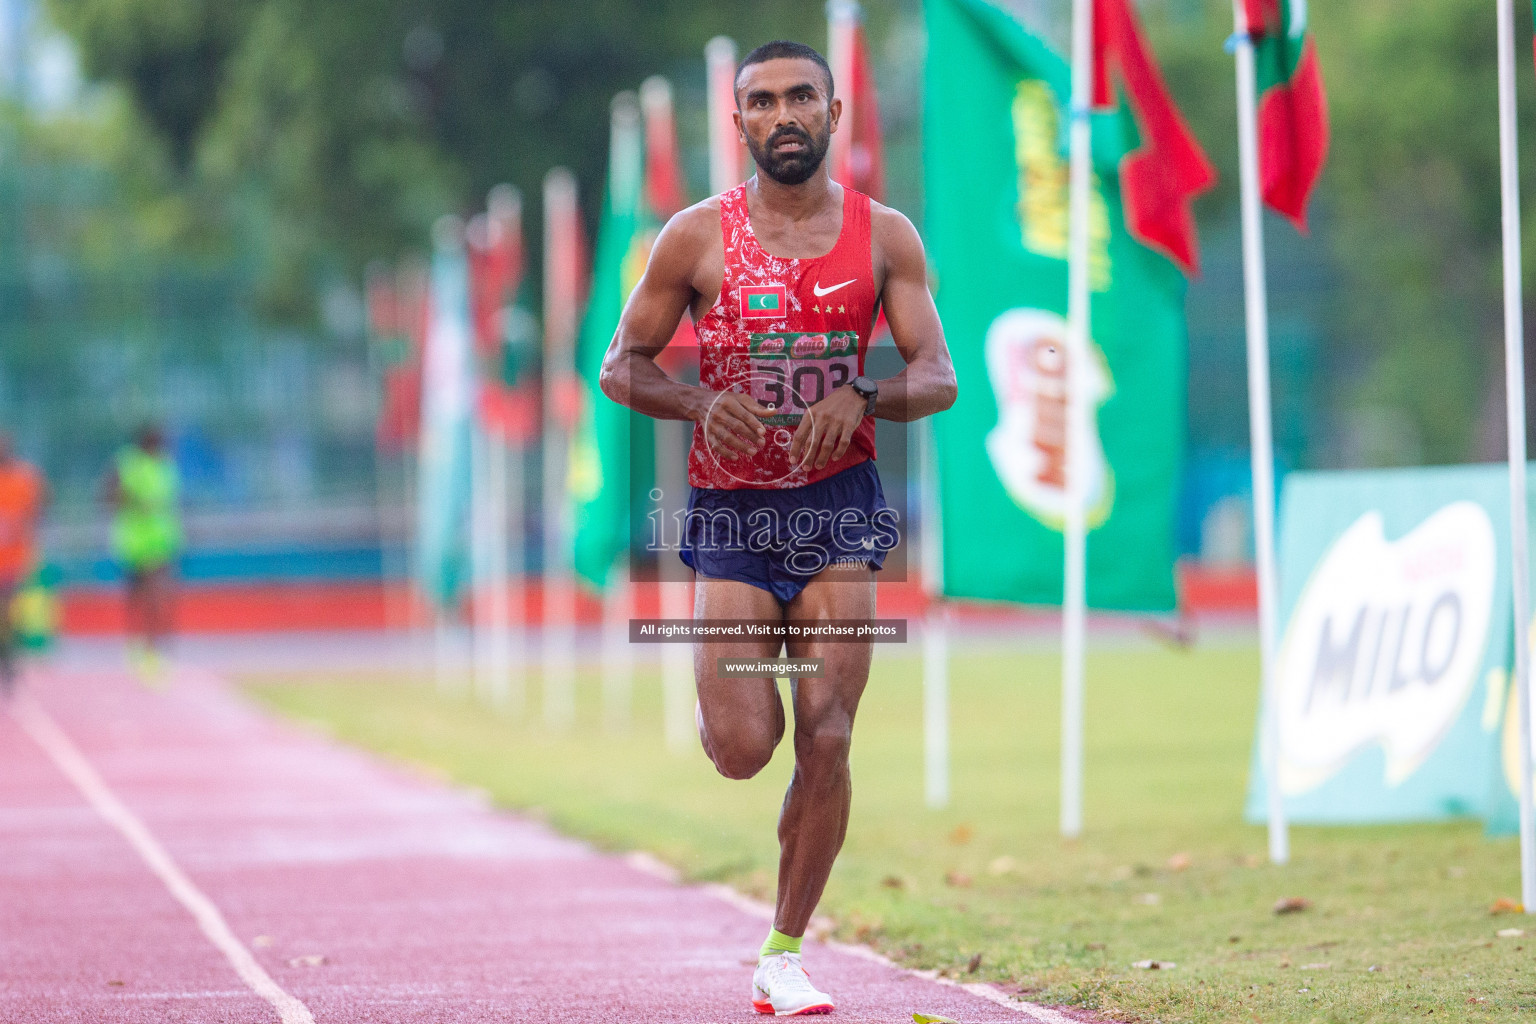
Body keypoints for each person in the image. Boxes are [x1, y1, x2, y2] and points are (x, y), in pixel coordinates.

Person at [600, 40, 956, 1016]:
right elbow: (620, 364)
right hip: (734, 515)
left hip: (837, 509)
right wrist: (691, 405)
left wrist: (869, 396)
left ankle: (785, 949)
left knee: (830, 733)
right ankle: (731, 687)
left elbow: (939, 375)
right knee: (747, 745)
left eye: (802, 97)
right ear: (741, 122)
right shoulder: (693, 238)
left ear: (833, 115)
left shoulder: (884, 238)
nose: (784, 114)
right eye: (763, 102)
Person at [104, 425, 182, 670]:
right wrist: (134, 501)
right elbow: (110, 496)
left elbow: (170, 503)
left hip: (161, 541)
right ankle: (137, 646)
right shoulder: (127, 462)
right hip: (133, 542)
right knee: (135, 599)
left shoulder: (167, 465)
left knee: (159, 596)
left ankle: (155, 649)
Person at [0, 434, 46, 695]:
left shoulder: (24, 479)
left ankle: (9, 664)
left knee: (8, 613)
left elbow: (37, 510)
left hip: (12, 561)